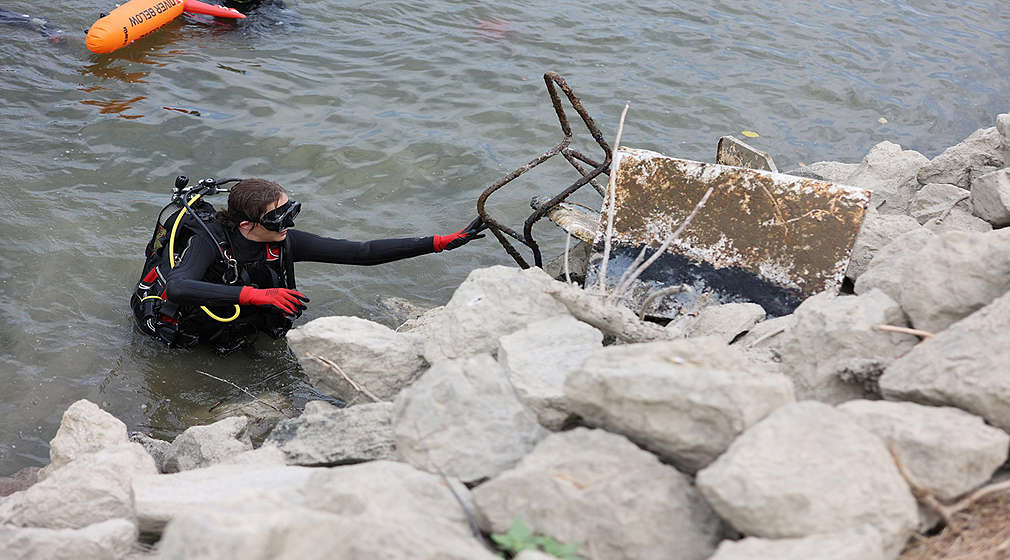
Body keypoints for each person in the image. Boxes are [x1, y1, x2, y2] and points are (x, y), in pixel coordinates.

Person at [131, 177, 486, 355]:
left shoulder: (284, 241)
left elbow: (362, 252)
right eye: (278, 218)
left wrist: (439, 243)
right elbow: (177, 286)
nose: (287, 224)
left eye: (290, 211)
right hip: (194, 335)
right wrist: (257, 296)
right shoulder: (210, 242)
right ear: (246, 226)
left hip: (241, 321)